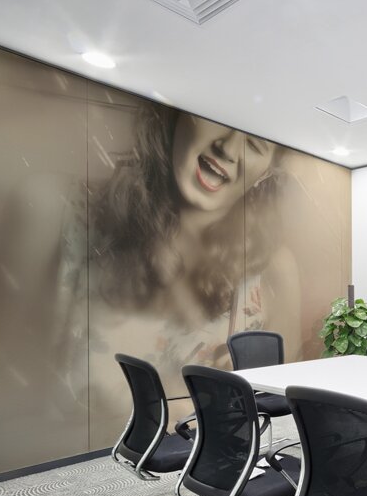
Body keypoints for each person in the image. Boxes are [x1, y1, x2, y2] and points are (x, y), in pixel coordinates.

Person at [89, 103, 302, 417]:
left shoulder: (274, 267)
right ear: (176, 118)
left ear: (266, 173)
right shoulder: (65, 218)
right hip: (178, 446)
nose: (228, 149)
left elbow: (287, 386)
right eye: (215, 119)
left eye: (254, 144)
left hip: (208, 442)